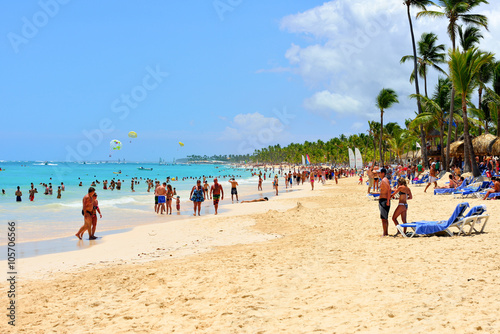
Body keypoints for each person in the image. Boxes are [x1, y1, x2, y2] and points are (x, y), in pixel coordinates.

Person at [378, 168, 391, 237]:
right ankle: (385, 232)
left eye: (379, 173)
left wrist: (388, 201)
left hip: (384, 200)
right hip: (383, 200)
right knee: (385, 218)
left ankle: (385, 233)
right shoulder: (384, 180)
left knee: (384, 218)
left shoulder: (384, 180)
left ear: (383, 173)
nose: (378, 174)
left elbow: (389, 189)